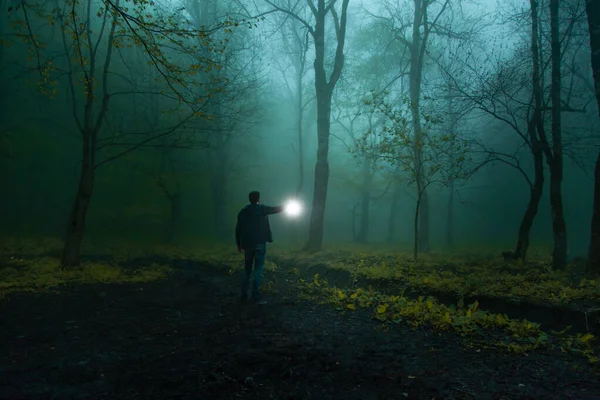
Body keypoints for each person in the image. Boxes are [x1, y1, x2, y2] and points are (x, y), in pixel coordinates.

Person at [235, 191, 283, 303]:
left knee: (247, 270)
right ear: (258, 199)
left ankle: (243, 294)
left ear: (249, 199)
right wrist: (288, 204)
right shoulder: (262, 209)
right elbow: (276, 209)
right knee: (257, 270)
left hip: (247, 244)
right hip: (260, 243)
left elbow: (238, 229)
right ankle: (255, 295)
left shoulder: (243, 212)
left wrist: (238, 244)